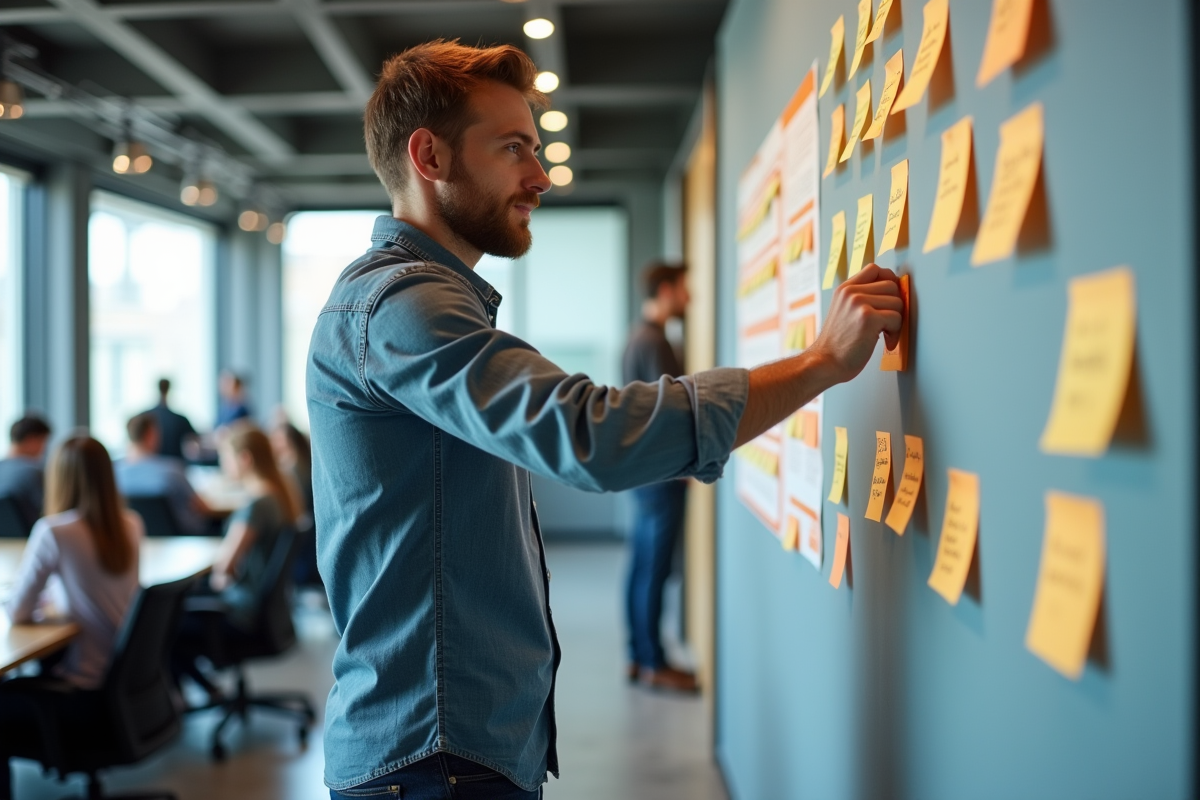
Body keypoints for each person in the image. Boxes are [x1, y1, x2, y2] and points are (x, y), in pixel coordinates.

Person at [306, 41, 901, 800]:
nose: (541, 175)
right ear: (430, 157)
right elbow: (593, 437)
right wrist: (820, 362)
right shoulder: (403, 307)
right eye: (514, 148)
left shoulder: (420, 301)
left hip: (449, 748)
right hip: (433, 760)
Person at [3, 435, 143, 689]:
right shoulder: (132, 523)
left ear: (58, 478)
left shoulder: (54, 530)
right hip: (126, 677)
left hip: (82, 679)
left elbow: (18, 612)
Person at [172, 423, 299, 698]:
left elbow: (224, 567)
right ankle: (209, 690)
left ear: (245, 459)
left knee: (165, 626)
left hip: (242, 613)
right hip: (267, 612)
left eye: (225, 457)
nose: (222, 464)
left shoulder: (256, 506)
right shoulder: (280, 495)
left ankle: (193, 697)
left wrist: (217, 580)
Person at [622, 261, 696, 692]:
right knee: (654, 567)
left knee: (641, 564)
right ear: (666, 291)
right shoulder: (656, 342)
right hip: (660, 474)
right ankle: (653, 661)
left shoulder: (637, 337)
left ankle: (639, 655)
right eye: (684, 288)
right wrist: (686, 463)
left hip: (642, 471)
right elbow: (669, 411)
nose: (690, 297)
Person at [114, 412, 213, 536]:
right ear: (151, 435)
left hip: (133, 536)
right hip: (182, 539)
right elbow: (201, 506)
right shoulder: (172, 470)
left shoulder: (114, 472)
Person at [0, 414, 52, 530]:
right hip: (32, 537)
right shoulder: (34, 472)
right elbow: (51, 512)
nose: (44, 449)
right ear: (31, 439)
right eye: (43, 442)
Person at [147, 378, 198, 461]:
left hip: (152, 462)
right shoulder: (180, 419)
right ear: (169, 390)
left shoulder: (146, 418)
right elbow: (195, 439)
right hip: (176, 464)